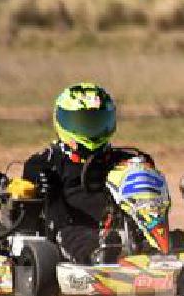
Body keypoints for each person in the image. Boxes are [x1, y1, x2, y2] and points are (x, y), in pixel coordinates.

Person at [23, 82, 147, 265]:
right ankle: (97, 257)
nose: (92, 130)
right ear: (64, 122)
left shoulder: (122, 159)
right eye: (84, 123)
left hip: (122, 230)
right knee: (82, 239)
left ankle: (159, 249)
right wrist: (43, 183)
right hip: (67, 229)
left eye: (97, 122)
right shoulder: (45, 162)